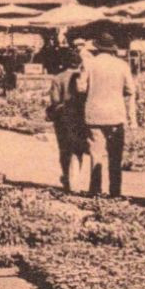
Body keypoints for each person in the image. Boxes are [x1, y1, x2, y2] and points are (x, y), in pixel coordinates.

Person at [79, 34, 142, 198]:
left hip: (94, 114)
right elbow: (130, 90)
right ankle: (115, 191)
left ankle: (95, 190)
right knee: (115, 155)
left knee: (96, 153)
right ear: (112, 48)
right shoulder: (122, 65)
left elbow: (80, 88)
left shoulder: (90, 64)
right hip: (115, 114)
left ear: (97, 48)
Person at [44, 44, 88, 192]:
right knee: (78, 148)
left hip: (62, 118)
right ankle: (74, 178)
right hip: (79, 116)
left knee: (64, 149)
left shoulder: (58, 78)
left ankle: (66, 176)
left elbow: (55, 100)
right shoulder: (82, 77)